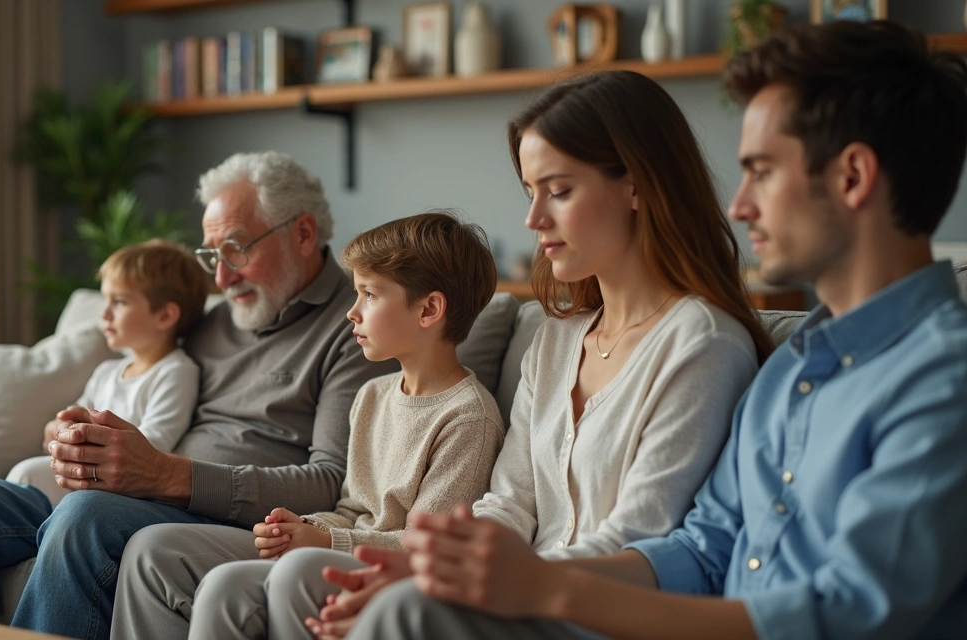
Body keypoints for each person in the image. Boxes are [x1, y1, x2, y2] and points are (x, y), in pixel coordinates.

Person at [352, 21, 967, 640]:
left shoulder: (943, 379)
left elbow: (843, 614)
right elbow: (702, 551)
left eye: (763, 171)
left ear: (853, 177)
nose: (740, 204)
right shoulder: (792, 370)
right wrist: (464, 572)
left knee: (408, 614)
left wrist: (545, 588)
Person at [303, 68, 777, 639]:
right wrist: (443, 567)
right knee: (301, 578)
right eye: (531, 193)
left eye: (559, 190)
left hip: (604, 612)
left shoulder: (701, 344)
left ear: (636, 185)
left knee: (403, 610)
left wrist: (483, 581)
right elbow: (508, 503)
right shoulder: (555, 341)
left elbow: (640, 537)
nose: (534, 220)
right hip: (519, 593)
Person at [0, 151, 397, 640]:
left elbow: (332, 483)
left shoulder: (356, 330)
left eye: (236, 250)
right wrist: (80, 434)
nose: (220, 279)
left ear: (303, 234)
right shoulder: (214, 320)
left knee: (84, 517)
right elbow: (139, 373)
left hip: (233, 521)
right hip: (138, 498)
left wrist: (164, 474)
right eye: (211, 255)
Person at [182, 211, 506, 640]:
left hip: (396, 579)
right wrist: (306, 527)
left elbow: (426, 547)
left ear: (429, 309)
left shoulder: (470, 418)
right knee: (223, 586)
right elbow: (353, 511)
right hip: (344, 554)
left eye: (369, 295)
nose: (352, 312)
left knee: (296, 567)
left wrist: (323, 545)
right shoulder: (373, 395)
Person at [5, 239, 207, 506]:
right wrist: (61, 428)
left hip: (123, 487)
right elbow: (76, 414)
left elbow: (156, 447)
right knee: (27, 471)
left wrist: (88, 440)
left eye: (119, 302)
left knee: (28, 473)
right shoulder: (107, 371)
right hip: (88, 472)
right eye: (105, 300)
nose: (105, 314)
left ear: (165, 316)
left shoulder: (176, 372)